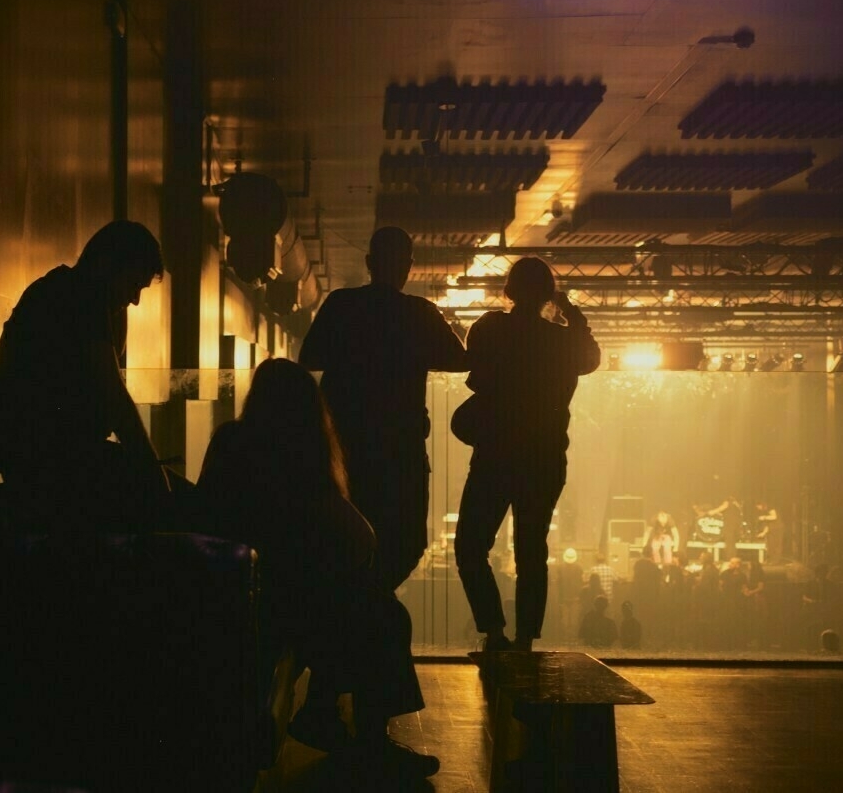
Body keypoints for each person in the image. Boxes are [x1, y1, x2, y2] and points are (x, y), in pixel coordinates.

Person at [195, 358, 438, 779]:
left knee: (363, 609)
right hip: (288, 596)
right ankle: (367, 738)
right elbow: (346, 531)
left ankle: (327, 715)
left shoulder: (233, 442)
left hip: (248, 587)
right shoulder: (303, 455)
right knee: (382, 615)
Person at [299, 226, 468, 591]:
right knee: (404, 541)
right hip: (400, 447)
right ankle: (373, 600)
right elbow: (459, 358)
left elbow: (309, 357)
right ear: (408, 266)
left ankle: (351, 605)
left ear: (369, 263)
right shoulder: (418, 313)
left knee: (342, 532)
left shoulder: (342, 305)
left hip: (343, 445)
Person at [452, 256, 600, 652]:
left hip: (495, 456)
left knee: (470, 546)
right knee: (532, 551)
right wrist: (571, 312)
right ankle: (524, 639)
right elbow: (591, 358)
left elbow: (477, 373)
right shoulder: (563, 342)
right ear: (549, 295)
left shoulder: (490, 328)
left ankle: (494, 631)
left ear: (508, 290)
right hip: (545, 459)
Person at [0, 221, 169, 533]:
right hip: (52, 466)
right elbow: (113, 396)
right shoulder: (81, 297)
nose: (135, 299)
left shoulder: (56, 290)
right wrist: (151, 472)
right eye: (134, 285)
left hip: (32, 460)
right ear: (110, 265)